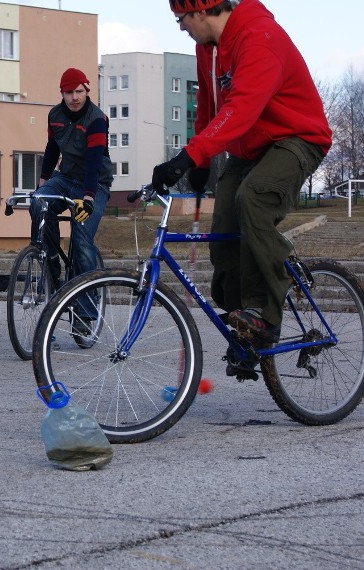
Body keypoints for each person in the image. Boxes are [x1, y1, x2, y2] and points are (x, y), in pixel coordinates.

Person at [152, 0, 332, 355]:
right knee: (223, 230)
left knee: (253, 198)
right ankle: (244, 329)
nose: (181, 27)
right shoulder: (206, 50)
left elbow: (242, 107)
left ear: (201, 11)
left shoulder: (260, 38)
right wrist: (198, 163)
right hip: (249, 148)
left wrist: (189, 155)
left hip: (296, 138)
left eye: (181, 19)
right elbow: (208, 105)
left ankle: (264, 312)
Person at [30, 67, 113, 336]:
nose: (74, 97)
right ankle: (50, 257)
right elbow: (52, 149)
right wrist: (43, 182)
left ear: (87, 91)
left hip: (94, 183)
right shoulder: (54, 115)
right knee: (38, 202)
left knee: (81, 241)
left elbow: (93, 162)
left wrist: (88, 197)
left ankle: (86, 314)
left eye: (79, 91)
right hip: (64, 178)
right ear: (62, 94)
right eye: (69, 92)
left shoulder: (97, 119)